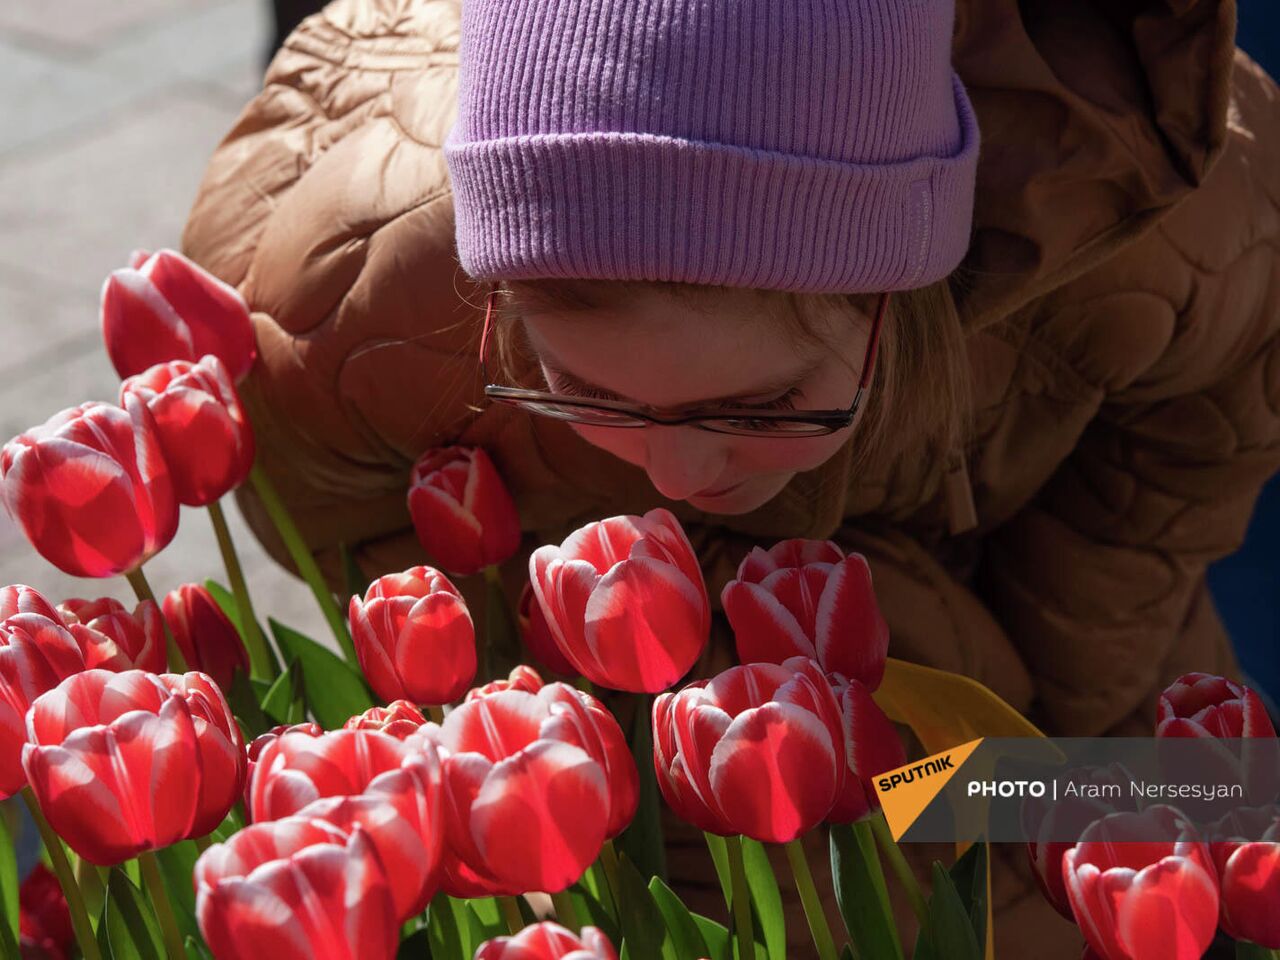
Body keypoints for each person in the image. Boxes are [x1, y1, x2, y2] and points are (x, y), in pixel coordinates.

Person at [181, 0, 1280, 954]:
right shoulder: (368, 302)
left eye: (756, 406)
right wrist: (613, 659)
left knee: (1073, 854)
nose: (677, 467)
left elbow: (1191, 441)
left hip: (1023, 581)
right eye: (584, 387)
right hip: (607, 660)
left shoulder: (1160, 231)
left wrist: (1046, 704)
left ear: (895, 296)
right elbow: (317, 483)